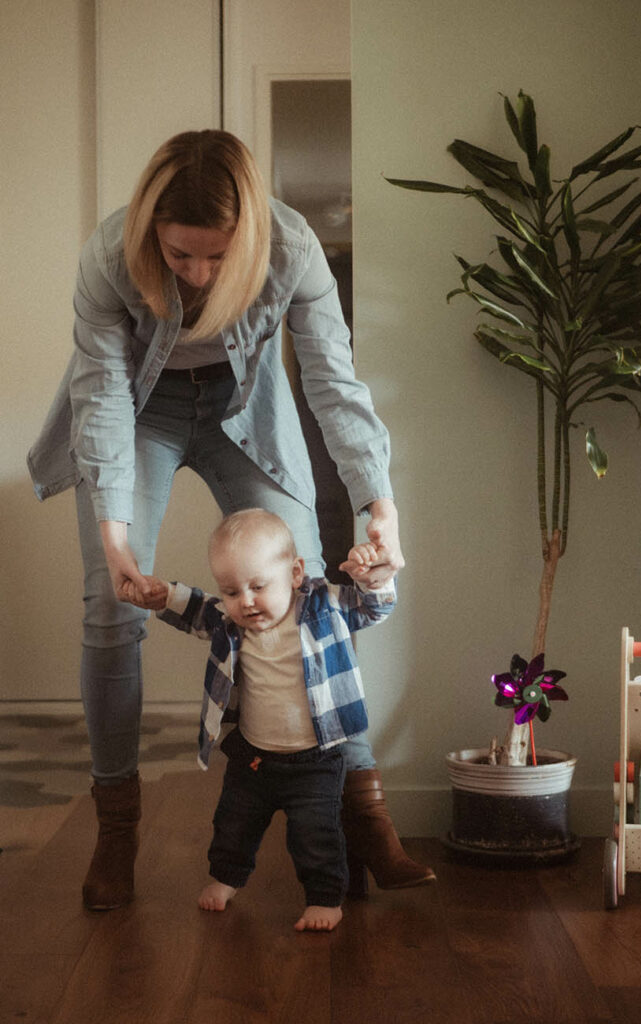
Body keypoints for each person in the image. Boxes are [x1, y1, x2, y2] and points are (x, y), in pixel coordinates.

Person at [27, 129, 434, 911]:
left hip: (243, 412)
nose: (199, 273)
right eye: (180, 256)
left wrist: (377, 507)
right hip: (136, 418)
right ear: (152, 231)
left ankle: (364, 815)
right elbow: (103, 394)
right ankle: (117, 828)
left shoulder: (290, 247)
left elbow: (333, 383)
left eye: (217, 257)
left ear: (249, 236)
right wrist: (114, 541)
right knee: (110, 612)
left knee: (311, 598)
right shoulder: (109, 255)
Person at [122, 508, 397, 932]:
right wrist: (165, 596)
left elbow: (373, 608)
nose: (245, 601)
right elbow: (197, 608)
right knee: (233, 822)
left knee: (316, 833)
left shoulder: (324, 605)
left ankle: (325, 898)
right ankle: (227, 877)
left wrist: (371, 576)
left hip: (315, 759)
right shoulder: (231, 623)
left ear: (295, 573)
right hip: (252, 757)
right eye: (231, 590)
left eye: (257, 586)